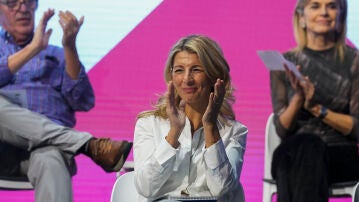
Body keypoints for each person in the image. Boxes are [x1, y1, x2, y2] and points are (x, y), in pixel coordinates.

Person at [0, 1, 132, 202]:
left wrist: (69, 46)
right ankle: (88, 145)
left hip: (43, 148)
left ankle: (80, 143)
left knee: (51, 158)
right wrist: (34, 48)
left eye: (28, 2)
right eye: (12, 3)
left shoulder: (58, 55)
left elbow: (83, 100)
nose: (23, 9)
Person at [133, 35, 247, 202]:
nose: (187, 79)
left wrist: (210, 127)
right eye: (179, 70)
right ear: (171, 76)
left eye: (196, 69)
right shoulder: (148, 124)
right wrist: (174, 132)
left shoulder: (234, 131)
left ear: (214, 76)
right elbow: (146, 188)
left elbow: (222, 189)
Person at [269, 0, 359, 201]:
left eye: (332, 6)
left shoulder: (355, 62)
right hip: (292, 152)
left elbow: (357, 128)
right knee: (302, 150)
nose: (324, 12)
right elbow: (282, 129)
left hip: (338, 155)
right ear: (301, 17)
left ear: (341, 15)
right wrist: (299, 99)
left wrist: (315, 108)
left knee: (306, 152)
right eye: (315, 5)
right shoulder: (283, 64)